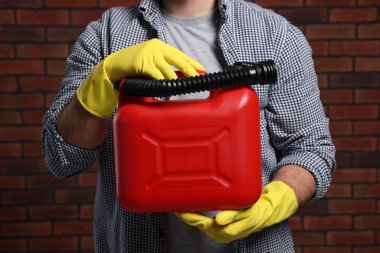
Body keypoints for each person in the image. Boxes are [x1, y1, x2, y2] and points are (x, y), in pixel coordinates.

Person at [42, 0, 336, 252]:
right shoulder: (104, 37)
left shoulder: (277, 37)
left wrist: (278, 198)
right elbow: (61, 159)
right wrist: (100, 84)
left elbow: (311, 150)